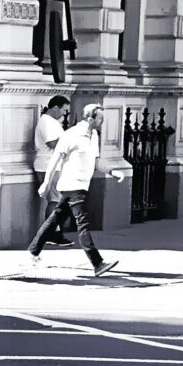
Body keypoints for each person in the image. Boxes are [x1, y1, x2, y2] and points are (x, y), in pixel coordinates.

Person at [27, 103, 117, 275]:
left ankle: (33, 251)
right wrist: (46, 183)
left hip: (81, 184)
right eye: (100, 118)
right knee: (83, 223)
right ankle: (97, 263)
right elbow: (55, 159)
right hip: (72, 184)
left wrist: (113, 171)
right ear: (90, 118)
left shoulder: (94, 135)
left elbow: (97, 163)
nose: (102, 122)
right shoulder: (72, 135)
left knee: (54, 219)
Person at [33, 96, 73, 245]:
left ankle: (54, 232)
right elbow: (52, 143)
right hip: (49, 165)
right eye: (63, 110)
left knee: (58, 200)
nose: (64, 114)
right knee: (55, 200)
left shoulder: (52, 122)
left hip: (52, 165)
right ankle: (51, 233)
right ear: (55, 107)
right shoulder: (47, 122)